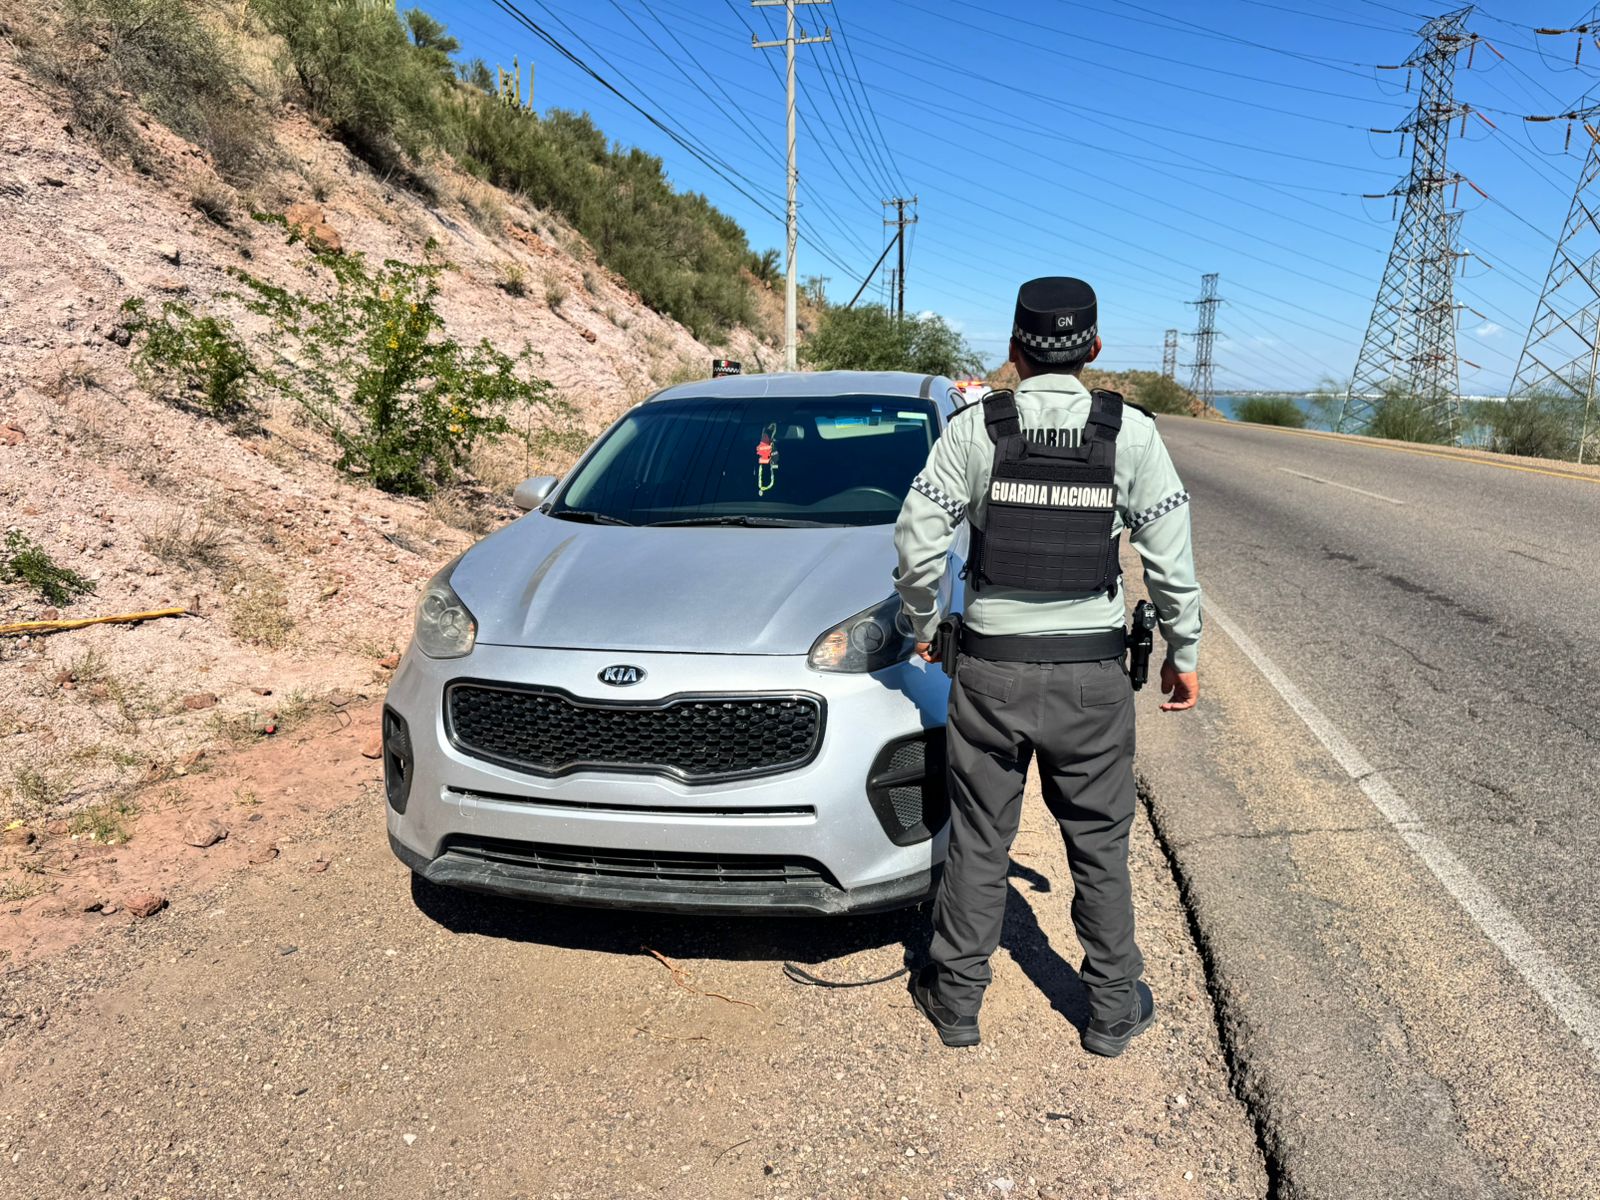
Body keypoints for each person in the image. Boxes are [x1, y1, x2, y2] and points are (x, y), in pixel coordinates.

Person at [892, 276, 1201, 1056]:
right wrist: (1183, 653)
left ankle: (956, 1001)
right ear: (1094, 349)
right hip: (1093, 680)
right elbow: (1169, 557)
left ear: (1012, 351)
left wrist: (921, 626)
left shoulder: (974, 428)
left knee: (980, 838)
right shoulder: (1129, 433)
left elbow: (918, 541)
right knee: (1100, 842)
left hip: (991, 673)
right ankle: (1109, 1009)